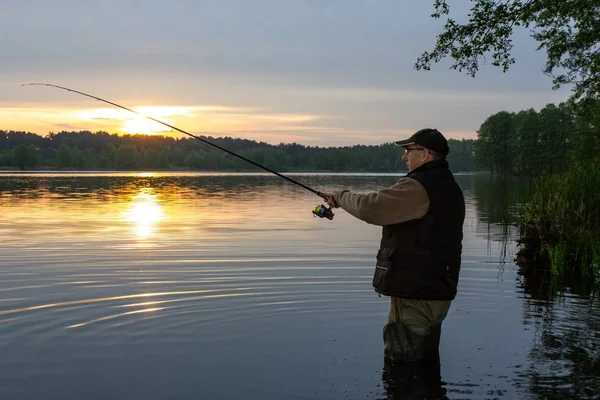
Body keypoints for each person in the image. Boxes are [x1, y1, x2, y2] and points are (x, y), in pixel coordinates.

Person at [320, 128, 465, 364]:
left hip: (415, 295)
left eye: (408, 150)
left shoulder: (419, 187)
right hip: (437, 291)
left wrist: (339, 196)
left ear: (425, 154)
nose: (404, 156)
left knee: (402, 370)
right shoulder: (449, 186)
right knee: (425, 364)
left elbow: (370, 207)